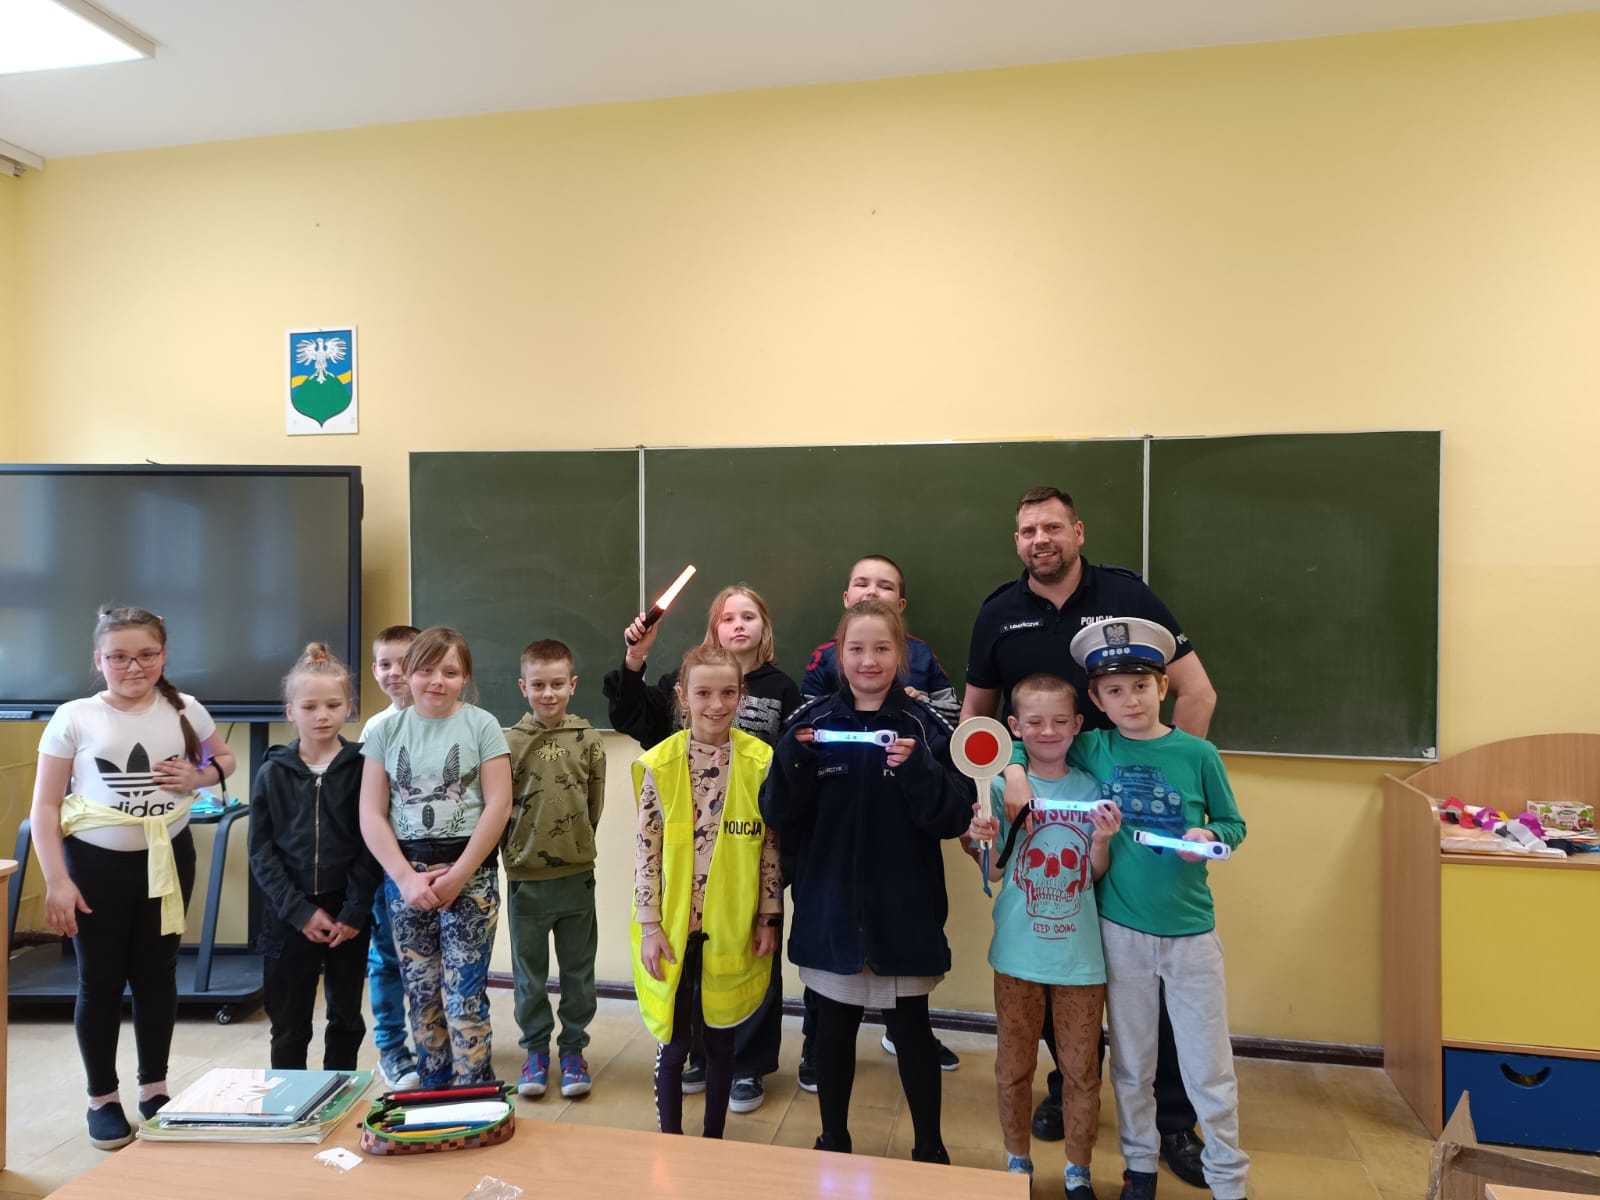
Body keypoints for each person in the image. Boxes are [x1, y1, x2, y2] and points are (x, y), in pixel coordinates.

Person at [963, 484, 1214, 1182]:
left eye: (1052, 527)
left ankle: (1172, 1124)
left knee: (1147, 979)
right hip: (1045, 819)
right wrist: (1011, 777)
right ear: (1017, 542)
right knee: (1058, 955)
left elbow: (1197, 692)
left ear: (1078, 532)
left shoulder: (1128, 595)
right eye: (1026, 531)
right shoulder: (998, 614)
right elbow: (978, 724)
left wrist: (1168, 790)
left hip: (1127, 827)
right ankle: (1063, 1087)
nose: (1039, 540)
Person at [762, 599, 972, 1164]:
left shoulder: (927, 726)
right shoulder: (809, 723)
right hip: (830, 906)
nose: (869, 660)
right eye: (856, 649)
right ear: (839, 654)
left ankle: (929, 1146)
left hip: (904, 908)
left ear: (900, 653)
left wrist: (919, 770)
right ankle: (833, 1139)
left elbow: (953, 816)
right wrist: (793, 761)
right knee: (831, 1031)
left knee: (912, 1031)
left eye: (882, 648)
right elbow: (775, 811)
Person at [30, 605, 236, 1149]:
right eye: (118, 656)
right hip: (95, 865)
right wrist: (57, 881)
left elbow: (224, 760)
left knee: (157, 974)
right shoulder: (74, 716)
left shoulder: (185, 708)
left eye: (147, 654)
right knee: (99, 980)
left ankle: (155, 1089)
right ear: (98, 660)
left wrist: (199, 775)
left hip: (168, 858)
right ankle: (102, 1098)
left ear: (163, 656)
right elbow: (46, 807)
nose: (133, 666)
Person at [1067, 617, 1249, 1200]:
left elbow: (1233, 823)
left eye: (1142, 686)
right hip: (1121, 932)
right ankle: (1139, 1166)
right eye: (1115, 690)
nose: (1131, 700)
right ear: (1097, 700)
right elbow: (1031, 743)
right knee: (1131, 1062)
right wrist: (1014, 769)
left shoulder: (1197, 753)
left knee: (1208, 1065)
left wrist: (1208, 836)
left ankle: (1229, 1179)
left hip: (1191, 933)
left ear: (1164, 687)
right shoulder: (1093, 747)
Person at [605, 583, 800, 1112]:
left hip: (746, 864)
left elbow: (783, 798)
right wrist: (635, 658)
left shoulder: (782, 692)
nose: (738, 624)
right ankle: (693, 1052)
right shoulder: (680, 687)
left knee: (747, 966)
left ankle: (747, 1066)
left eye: (748, 616)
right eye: (727, 616)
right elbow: (633, 718)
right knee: (689, 976)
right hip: (682, 880)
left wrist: (770, 908)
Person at [797, 554, 963, 1085]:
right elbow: (808, 722)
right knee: (832, 963)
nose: (873, 591)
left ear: (902, 606)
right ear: (846, 599)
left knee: (901, 964)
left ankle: (903, 1031)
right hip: (837, 833)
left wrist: (911, 709)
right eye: (862, 583)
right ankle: (814, 1042)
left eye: (886, 585)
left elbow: (949, 724)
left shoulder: (924, 660)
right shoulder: (824, 659)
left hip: (900, 839)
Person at [965, 673, 1116, 1199]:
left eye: (1059, 721)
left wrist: (1102, 840)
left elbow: (1093, 873)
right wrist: (980, 838)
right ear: (1014, 726)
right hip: (1018, 953)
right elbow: (992, 869)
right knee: (1014, 1066)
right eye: (1034, 722)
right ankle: (1017, 1160)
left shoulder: (1092, 789)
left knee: (1082, 1071)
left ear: (1077, 725)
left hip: (1079, 957)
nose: (1047, 731)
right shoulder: (1000, 787)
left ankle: (1078, 1169)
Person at [631, 645, 781, 1138]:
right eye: (703, 693)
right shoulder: (661, 764)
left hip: (732, 925)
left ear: (742, 695)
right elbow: (646, 851)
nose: (716, 705)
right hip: (673, 927)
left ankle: (713, 1140)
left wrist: (768, 917)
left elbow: (770, 848)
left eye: (728, 693)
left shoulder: (761, 762)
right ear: (682, 696)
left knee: (721, 1042)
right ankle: (672, 1143)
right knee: (674, 1044)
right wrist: (650, 926)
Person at [359, 626, 512, 1086]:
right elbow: (371, 812)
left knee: (464, 995)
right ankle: (433, 1087)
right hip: (406, 878)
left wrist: (459, 875)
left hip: (470, 877)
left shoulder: (483, 726)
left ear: (465, 677)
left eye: (450, 672)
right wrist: (405, 879)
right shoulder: (386, 731)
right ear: (408, 673)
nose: (437, 681)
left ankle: (474, 1088)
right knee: (422, 995)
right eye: (426, 670)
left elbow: (498, 805)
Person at [249, 643, 381, 1070]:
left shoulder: (364, 767)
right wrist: (299, 912)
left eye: (333, 705)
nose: (322, 715)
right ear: (291, 712)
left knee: (346, 1017)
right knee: (289, 1022)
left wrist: (355, 910)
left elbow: (372, 842)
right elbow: (261, 850)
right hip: (289, 914)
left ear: (349, 708)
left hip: (348, 913)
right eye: (309, 707)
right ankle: (289, 1098)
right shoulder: (272, 772)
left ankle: (340, 1093)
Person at [503, 638, 605, 1100]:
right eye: (539, 684)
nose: (548, 693)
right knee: (529, 975)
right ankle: (535, 1052)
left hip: (576, 878)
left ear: (573, 685)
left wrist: (577, 845)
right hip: (526, 880)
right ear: (523, 687)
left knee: (578, 973)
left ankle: (573, 1050)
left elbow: (594, 804)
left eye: (558, 684)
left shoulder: (588, 740)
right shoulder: (507, 742)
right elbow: (500, 807)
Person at [360, 623, 424, 1089]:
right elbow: (371, 808)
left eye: (405, 662)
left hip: (435, 866)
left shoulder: (451, 722)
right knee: (385, 958)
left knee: (433, 961)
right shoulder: (375, 729)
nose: (394, 672)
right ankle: (391, 1048)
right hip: (387, 867)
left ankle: (434, 1043)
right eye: (385, 664)